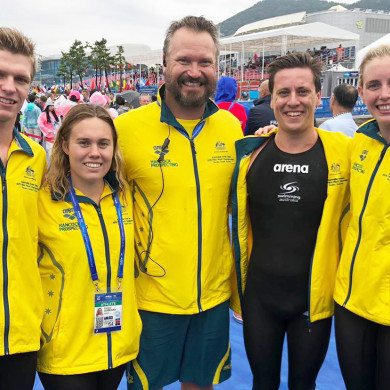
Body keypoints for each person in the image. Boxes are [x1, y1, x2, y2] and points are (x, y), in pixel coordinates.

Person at [115, 15, 243, 390]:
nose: (194, 71)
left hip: (213, 296)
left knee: (201, 385)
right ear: (165, 64)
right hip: (151, 298)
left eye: (204, 62)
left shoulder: (231, 129)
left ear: (217, 68)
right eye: (184, 60)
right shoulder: (127, 130)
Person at [230, 52, 350, 390]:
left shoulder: (344, 152)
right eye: (284, 93)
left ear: (318, 96)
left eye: (302, 91)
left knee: (303, 384)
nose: (293, 101)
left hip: (312, 302)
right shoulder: (250, 155)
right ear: (272, 97)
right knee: (262, 383)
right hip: (260, 298)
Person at [36, 104, 142, 390]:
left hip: (117, 345)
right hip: (65, 352)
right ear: (65, 145)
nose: (95, 152)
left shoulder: (125, 195)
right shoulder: (42, 201)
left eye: (103, 143)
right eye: (84, 142)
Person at [333, 44, 390, 390]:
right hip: (351, 301)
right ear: (362, 92)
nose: (384, 95)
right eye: (374, 85)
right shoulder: (358, 143)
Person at [0, 27, 47, 390]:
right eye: (1, 75)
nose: (10, 87)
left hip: (21, 334)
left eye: (20, 79)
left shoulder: (38, 158)